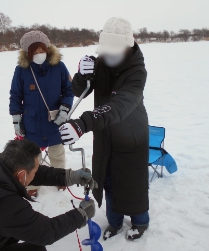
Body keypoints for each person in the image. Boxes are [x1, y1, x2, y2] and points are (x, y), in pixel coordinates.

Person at [59, 17, 149, 241]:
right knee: (107, 179)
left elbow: (119, 105)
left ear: (128, 47)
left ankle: (140, 221)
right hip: (105, 134)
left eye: (113, 52)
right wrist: (82, 75)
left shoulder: (137, 72)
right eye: (105, 52)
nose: (108, 57)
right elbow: (79, 90)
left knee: (131, 182)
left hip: (131, 136)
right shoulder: (101, 63)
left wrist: (83, 123)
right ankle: (115, 221)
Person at [9, 30, 74, 197]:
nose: (39, 54)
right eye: (35, 52)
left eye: (41, 50)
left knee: (57, 154)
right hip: (31, 123)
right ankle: (32, 184)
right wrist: (17, 120)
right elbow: (16, 95)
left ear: (47, 48)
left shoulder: (59, 66)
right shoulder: (21, 70)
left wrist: (65, 110)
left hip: (55, 121)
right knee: (32, 157)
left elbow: (68, 90)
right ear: (28, 53)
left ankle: (60, 179)